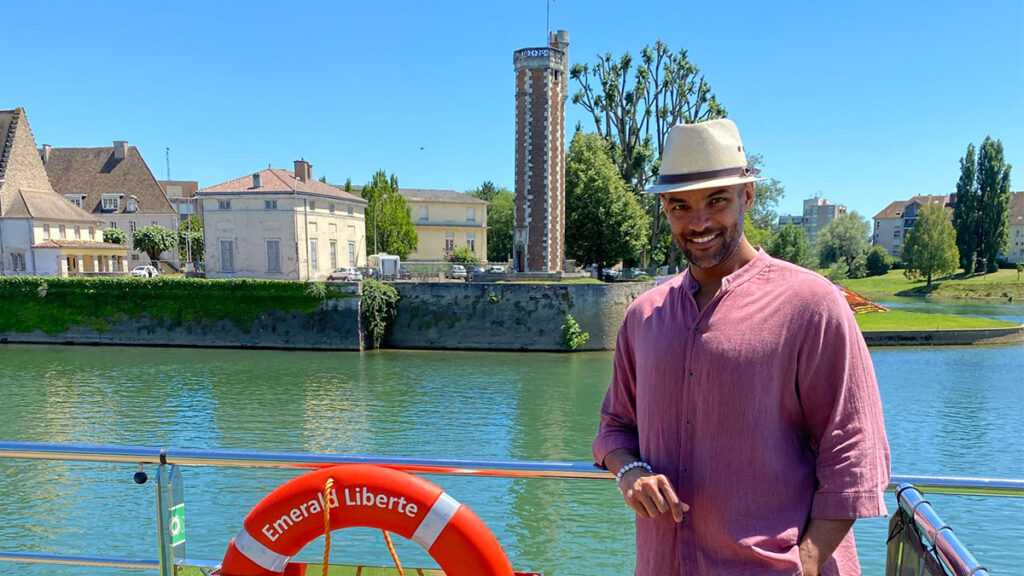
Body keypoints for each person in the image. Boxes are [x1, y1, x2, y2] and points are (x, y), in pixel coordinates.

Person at [592, 119, 890, 576]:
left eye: (716, 200)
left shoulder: (811, 304)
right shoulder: (643, 316)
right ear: (664, 209)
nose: (699, 222)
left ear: (747, 197)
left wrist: (805, 562)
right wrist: (629, 472)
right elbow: (615, 426)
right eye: (680, 206)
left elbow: (854, 450)